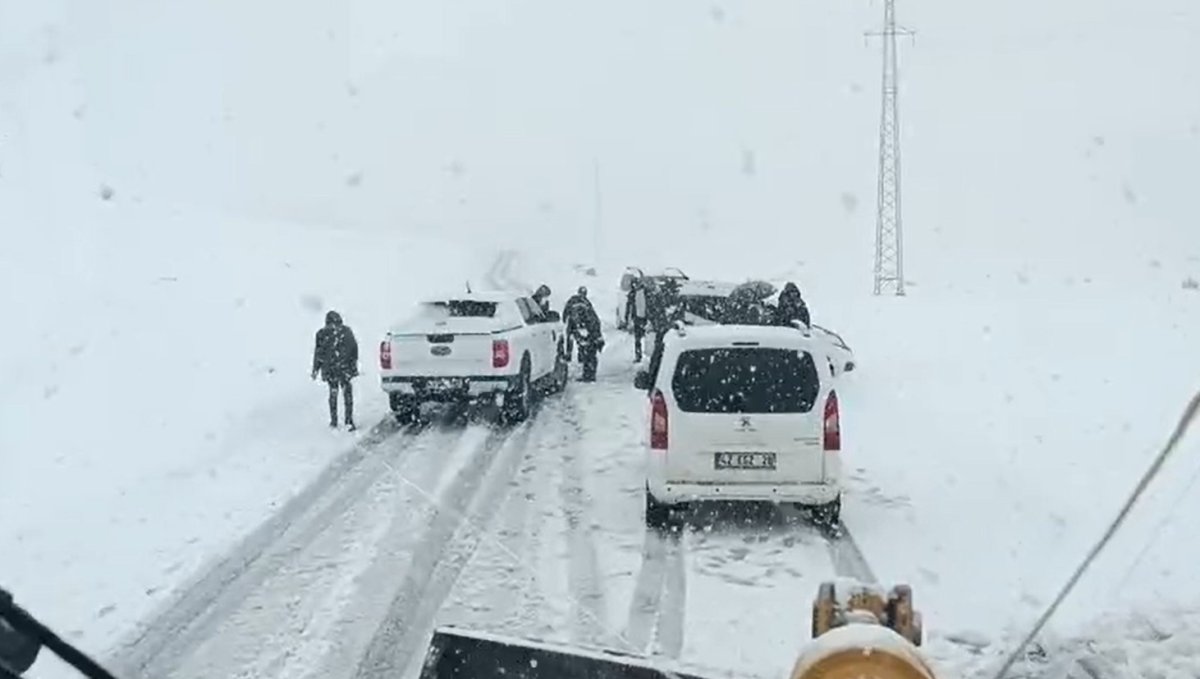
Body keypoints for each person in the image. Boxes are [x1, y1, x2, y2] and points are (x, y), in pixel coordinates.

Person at [311, 310, 359, 430]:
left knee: (333, 392)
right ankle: (349, 420)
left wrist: (316, 369)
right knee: (347, 393)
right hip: (345, 367)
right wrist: (353, 366)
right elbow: (354, 349)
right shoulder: (346, 331)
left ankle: (334, 421)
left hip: (330, 368)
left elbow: (318, 353)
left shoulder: (321, 334)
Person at [563, 286, 604, 381]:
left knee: (585, 349)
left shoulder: (572, 301)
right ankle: (589, 374)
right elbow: (594, 319)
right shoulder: (586, 303)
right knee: (590, 351)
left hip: (579, 329)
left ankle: (587, 373)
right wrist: (598, 337)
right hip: (588, 329)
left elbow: (565, 315)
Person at [626, 277, 649, 362]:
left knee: (648, 337)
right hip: (638, 319)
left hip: (645, 318)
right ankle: (638, 355)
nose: (635, 286)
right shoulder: (632, 294)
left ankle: (646, 354)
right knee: (638, 339)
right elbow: (629, 307)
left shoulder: (646, 292)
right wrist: (628, 318)